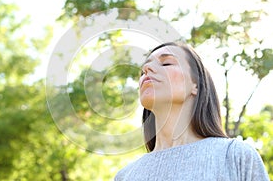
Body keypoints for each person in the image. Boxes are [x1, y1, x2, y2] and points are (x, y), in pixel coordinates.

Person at [114, 42, 269, 181]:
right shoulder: (125, 176)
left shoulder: (235, 156)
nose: (146, 69)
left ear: (195, 84)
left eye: (166, 63)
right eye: (143, 72)